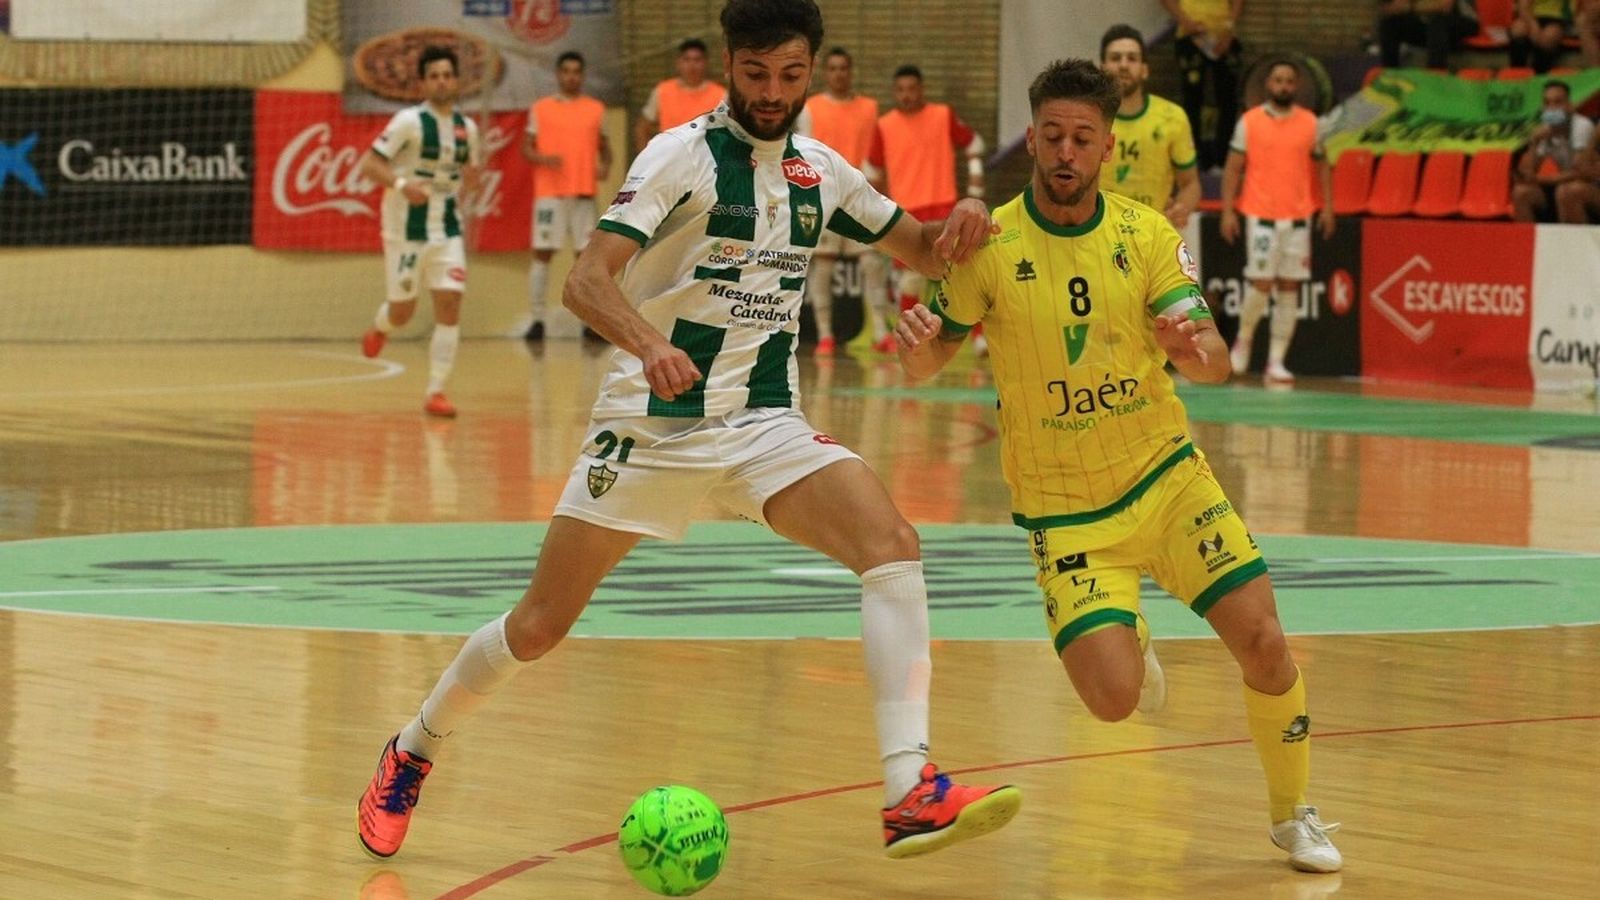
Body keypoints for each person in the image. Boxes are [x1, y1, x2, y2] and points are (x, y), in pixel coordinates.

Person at [357, 0, 1022, 864]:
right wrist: (649, 342)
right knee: (540, 625)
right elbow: (586, 280)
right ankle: (414, 746)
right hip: (652, 427)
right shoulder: (680, 156)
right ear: (730, 67)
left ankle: (909, 789)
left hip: (762, 425)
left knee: (891, 542)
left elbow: (927, 251)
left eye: (791, 76)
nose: (773, 94)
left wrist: (964, 218)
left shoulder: (824, 171)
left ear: (813, 69)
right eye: (755, 76)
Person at [895, 57, 1343, 875]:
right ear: (1032, 138)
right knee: (1112, 701)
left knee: (1266, 644)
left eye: (1084, 139)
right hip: (1066, 512)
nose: (1067, 152)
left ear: (1107, 148)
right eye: (1054, 137)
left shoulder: (1145, 235)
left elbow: (1211, 364)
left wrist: (1194, 347)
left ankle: (1293, 815)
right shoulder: (986, 242)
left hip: (1166, 479)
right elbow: (931, 362)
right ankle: (1130, 626)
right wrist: (918, 351)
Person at [358, 46, 483, 418]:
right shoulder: (408, 122)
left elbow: (470, 174)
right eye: (434, 76)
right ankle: (382, 327)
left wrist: (472, 181)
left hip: (446, 226)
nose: (442, 81)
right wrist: (401, 184)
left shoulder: (468, 128)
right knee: (403, 311)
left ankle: (436, 391)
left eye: (448, 74)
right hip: (405, 227)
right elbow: (369, 164)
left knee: (450, 305)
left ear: (457, 80)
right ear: (424, 82)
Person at [1219, 58, 1335, 384]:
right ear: (1267, 84)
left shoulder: (1311, 123)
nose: (1282, 85)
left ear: (1295, 86)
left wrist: (1327, 207)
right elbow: (1232, 167)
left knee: (1289, 286)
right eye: (1277, 80)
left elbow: (1323, 165)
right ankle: (1243, 341)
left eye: (1288, 80)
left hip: (1298, 217)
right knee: (1261, 282)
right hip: (1260, 214)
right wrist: (1228, 210)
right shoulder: (1249, 122)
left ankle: (1276, 360)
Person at [865, 64, 987, 354]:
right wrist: (880, 213)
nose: (907, 95)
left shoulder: (942, 115)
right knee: (911, 281)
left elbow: (974, 144)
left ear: (921, 89)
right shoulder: (885, 125)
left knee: (963, 271)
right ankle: (912, 341)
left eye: (912, 89)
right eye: (901, 90)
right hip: (908, 213)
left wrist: (976, 187)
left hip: (946, 207)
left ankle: (979, 338)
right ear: (895, 92)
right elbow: (871, 171)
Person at [795, 46, 894, 354]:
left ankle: (880, 332)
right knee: (822, 267)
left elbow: (877, 157)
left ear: (851, 72)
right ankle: (825, 335)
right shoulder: (810, 108)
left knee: (872, 264)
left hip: (859, 198)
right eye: (833, 68)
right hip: (823, 199)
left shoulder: (869, 107)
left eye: (844, 68)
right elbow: (801, 153)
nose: (839, 74)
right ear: (826, 73)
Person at [1099, 22, 1203, 284]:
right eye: (1115, 58)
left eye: (1132, 58)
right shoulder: (1088, 119)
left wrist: (1182, 208)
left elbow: (1191, 184)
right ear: (1101, 67)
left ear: (1144, 69)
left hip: (1154, 238)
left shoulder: (1172, 118)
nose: (1123, 64)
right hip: (1097, 238)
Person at [522, 50, 613, 342]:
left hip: (583, 192)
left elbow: (605, 147)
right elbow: (526, 147)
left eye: (576, 71)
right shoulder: (541, 108)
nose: (571, 76)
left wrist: (606, 165)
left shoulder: (596, 109)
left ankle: (589, 323)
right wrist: (542, 157)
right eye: (566, 71)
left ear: (582, 75)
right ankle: (537, 321)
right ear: (558, 75)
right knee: (542, 254)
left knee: (586, 259)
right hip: (550, 194)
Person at [1161, 0, 1245, 172]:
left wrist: (1228, 29)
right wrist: (1185, 21)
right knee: (1191, 101)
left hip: (1224, 38)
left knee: (1228, 100)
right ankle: (1192, 160)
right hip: (1189, 36)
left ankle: (1223, 160)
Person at [1512, 79, 1598, 223]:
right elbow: (1527, 173)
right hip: (1565, 186)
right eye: (1547, 103)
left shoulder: (1581, 125)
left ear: (1570, 106)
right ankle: (1526, 243)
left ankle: (1573, 244)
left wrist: (1542, 179)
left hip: (1593, 187)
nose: (1552, 108)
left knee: (1568, 191)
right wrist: (1534, 143)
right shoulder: (1545, 129)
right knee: (1521, 193)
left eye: (1558, 102)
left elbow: (1580, 173)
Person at [633, 38, 727, 153]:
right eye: (687, 60)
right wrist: (647, 159)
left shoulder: (721, 95)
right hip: (669, 159)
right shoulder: (662, 91)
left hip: (706, 162)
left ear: (706, 63)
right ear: (678, 63)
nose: (692, 65)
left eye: (697, 60)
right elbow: (642, 128)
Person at [1375, 0, 1479, 69]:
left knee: (1438, 22)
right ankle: (1391, 74)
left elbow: (1444, 6)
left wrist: (1410, 7)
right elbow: (1390, 8)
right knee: (1389, 23)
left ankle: (1435, 76)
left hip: (1464, 22)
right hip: (1431, 27)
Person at [1509, 0, 1573, 73]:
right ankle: (1517, 73)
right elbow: (1523, 7)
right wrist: (1533, 25)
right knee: (1518, 30)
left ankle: (1539, 74)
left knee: (1549, 36)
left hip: (1557, 19)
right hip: (1532, 17)